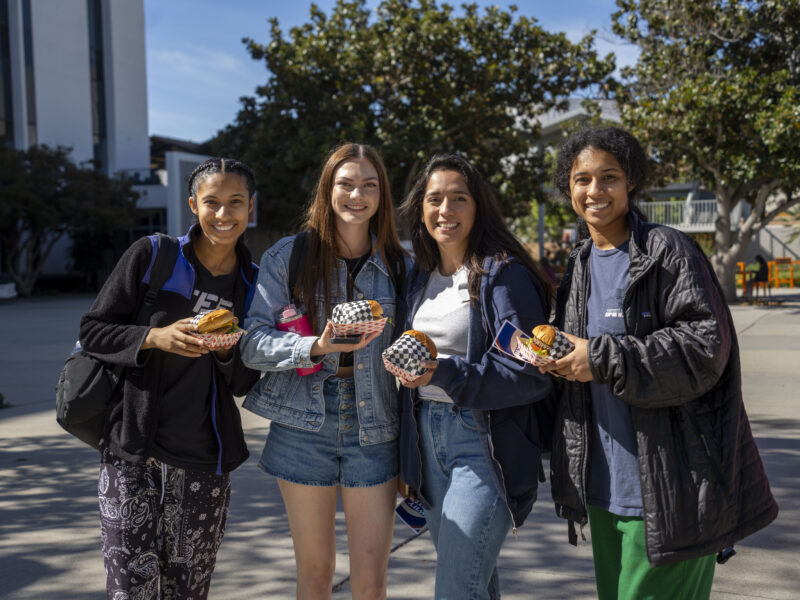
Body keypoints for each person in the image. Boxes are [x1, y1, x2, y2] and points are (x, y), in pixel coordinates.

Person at [541, 126, 778, 600]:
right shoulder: (579, 264)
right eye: (581, 179)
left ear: (631, 181)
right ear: (568, 189)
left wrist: (600, 356)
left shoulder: (668, 250)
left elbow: (705, 346)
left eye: (608, 176)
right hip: (603, 487)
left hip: (672, 490)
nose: (594, 190)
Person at [80, 157, 261, 599]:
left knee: (187, 590)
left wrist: (225, 353)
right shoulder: (154, 255)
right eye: (212, 202)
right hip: (131, 449)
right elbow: (92, 331)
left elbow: (243, 381)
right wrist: (153, 336)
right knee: (131, 589)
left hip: (203, 458)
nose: (224, 214)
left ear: (251, 208)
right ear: (192, 205)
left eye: (236, 202)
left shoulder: (254, 285)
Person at [239, 143, 407, 600]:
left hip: (375, 426)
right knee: (315, 576)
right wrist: (316, 345)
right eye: (346, 183)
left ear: (382, 195)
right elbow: (250, 343)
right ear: (327, 190)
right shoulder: (288, 256)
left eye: (369, 185)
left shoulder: (400, 265)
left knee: (370, 584)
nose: (358, 194)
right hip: (301, 422)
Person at [393, 154, 554, 599]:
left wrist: (441, 371)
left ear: (478, 207)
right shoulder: (419, 278)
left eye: (459, 199)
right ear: (420, 209)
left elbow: (528, 373)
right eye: (435, 199)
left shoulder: (503, 277)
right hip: (429, 442)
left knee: (456, 590)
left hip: (483, 446)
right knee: (473, 585)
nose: (445, 210)